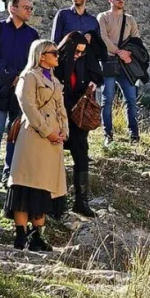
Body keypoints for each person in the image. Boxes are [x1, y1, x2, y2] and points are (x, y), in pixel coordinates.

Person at [7, 41, 70, 251]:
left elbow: (61, 109)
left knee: (43, 189)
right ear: (41, 55)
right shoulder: (29, 77)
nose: (57, 56)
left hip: (52, 141)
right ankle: (20, 234)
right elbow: (28, 106)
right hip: (34, 137)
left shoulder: (55, 80)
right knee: (25, 185)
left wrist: (63, 131)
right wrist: (46, 130)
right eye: (54, 53)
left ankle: (36, 236)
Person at [0, 0, 39, 195]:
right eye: (26, 7)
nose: (29, 11)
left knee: (14, 135)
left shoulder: (32, 34)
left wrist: (21, 79)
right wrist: (12, 76)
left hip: (20, 92)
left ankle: (9, 174)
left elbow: (33, 62)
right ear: (12, 9)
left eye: (31, 7)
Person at [57, 31, 103, 217]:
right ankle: (56, 202)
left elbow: (97, 74)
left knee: (81, 156)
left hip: (78, 115)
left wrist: (92, 83)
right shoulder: (58, 60)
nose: (78, 56)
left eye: (82, 53)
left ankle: (81, 201)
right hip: (59, 116)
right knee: (55, 159)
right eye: (76, 52)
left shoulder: (85, 58)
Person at [98, 0, 142, 144]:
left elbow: (136, 40)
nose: (121, 0)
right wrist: (118, 52)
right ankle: (107, 134)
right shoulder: (102, 17)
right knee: (107, 99)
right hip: (109, 62)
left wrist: (128, 54)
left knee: (131, 99)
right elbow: (102, 38)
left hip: (125, 65)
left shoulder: (130, 19)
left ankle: (134, 135)